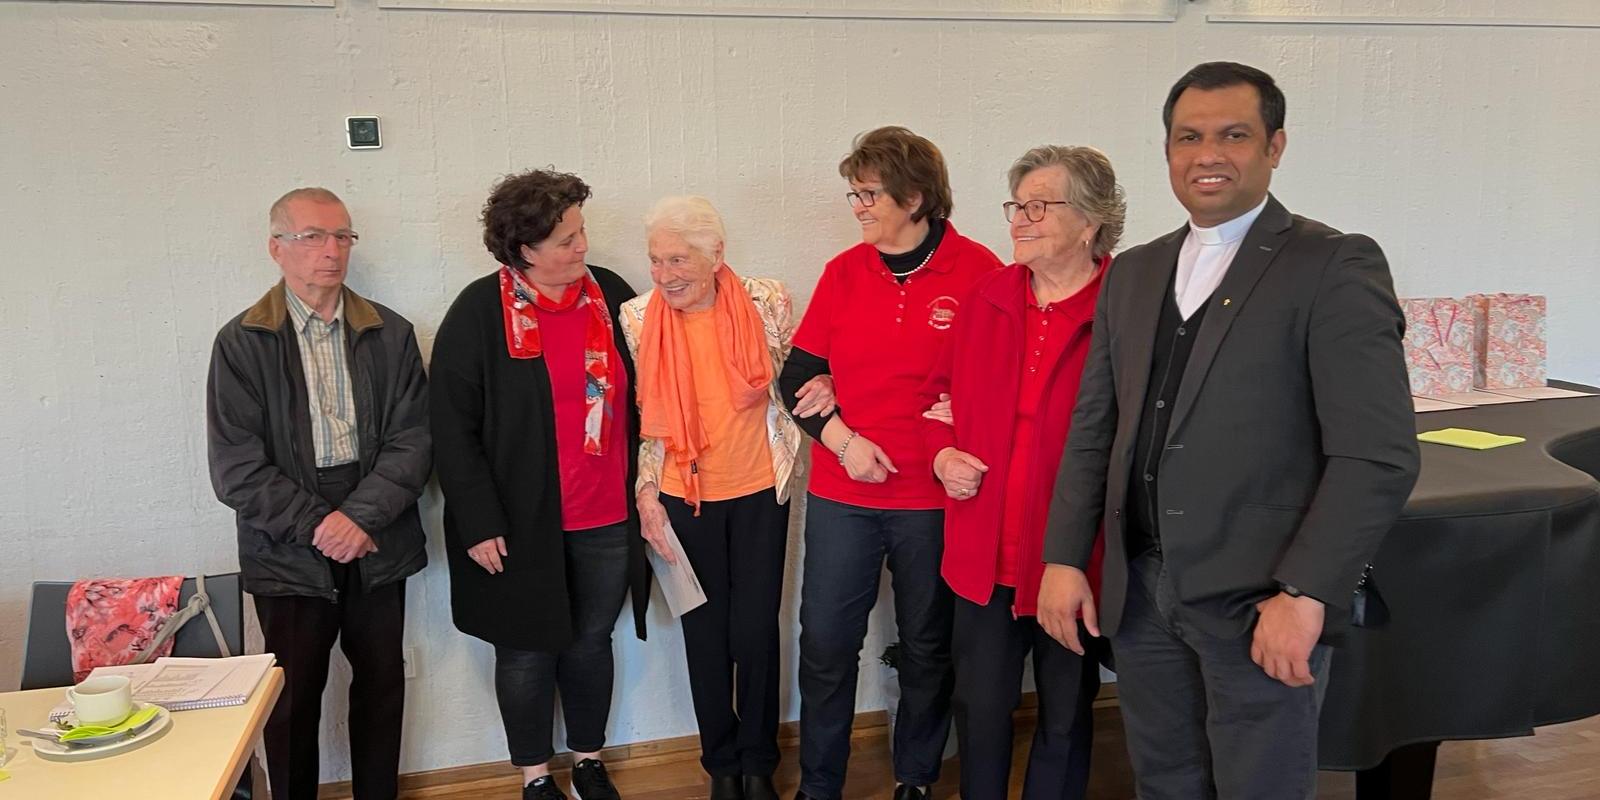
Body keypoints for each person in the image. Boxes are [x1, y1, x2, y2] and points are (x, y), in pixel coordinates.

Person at [1038, 62, 1421, 798]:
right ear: (1168, 151)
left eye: (1233, 135)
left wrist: (1306, 593)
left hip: (1261, 600)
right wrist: (1064, 558)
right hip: (1144, 593)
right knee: (1167, 783)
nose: (1207, 154)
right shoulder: (1134, 273)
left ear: (1275, 146)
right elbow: (1097, 427)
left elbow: (1376, 455)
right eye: (1189, 137)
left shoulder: (1333, 264)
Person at [780, 126, 1004, 800]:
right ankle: (820, 785)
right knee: (823, 643)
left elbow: (998, 381)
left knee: (927, 647)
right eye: (854, 193)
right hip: (845, 497)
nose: (857, 206)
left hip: (935, 503)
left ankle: (916, 777)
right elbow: (796, 378)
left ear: (914, 195)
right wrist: (845, 440)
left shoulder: (981, 272)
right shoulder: (844, 272)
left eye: (869, 193)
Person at [430, 169, 648, 800]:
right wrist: (477, 520)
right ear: (524, 250)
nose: (582, 248)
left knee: (590, 644)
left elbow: (651, 391)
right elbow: (450, 426)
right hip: (517, 521)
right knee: (525, 651)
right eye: (564, 240)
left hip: (606, 512)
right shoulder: (479, 311)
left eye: (581, 233)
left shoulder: (611, 295)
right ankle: (533, 775)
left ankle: (587, 761)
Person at [207, 187, 430, 800]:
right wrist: (320, 524)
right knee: (292, 695)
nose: (330, 252)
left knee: (384, 681)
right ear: (276, 248)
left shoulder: (392, 333)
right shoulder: (241, 342)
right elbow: (236, 467)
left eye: (342, 237)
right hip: (286, 540)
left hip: (377, 526)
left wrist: (359, 518)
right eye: (312, 237)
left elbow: (415, 441)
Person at [918, 145, 1123, 800]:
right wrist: (942, 454)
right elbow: (935, 401)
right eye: (1017, 206)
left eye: (1040, 206)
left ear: (1089, 222)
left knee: (1065, 715)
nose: (1020, 220)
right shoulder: (987, 298)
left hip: (1073, 558)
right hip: (985, 555)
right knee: (980, 710)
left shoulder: (1126, 309)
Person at [621, 196, 831, 800]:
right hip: (682, 495)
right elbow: (644, 416)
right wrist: (645, 491)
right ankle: (721, 764)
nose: (665, 275)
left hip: (762, 488)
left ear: (717, 256)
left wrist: (829, 384)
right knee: (704, 633)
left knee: (757, 628)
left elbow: (797, 375)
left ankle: (760, 761)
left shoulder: (767, 300)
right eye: (657, 260)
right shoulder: (638, 318)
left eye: (679, 259)